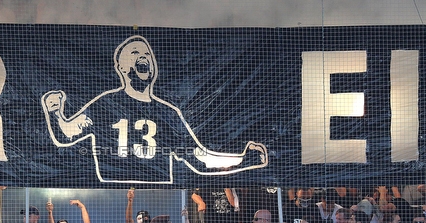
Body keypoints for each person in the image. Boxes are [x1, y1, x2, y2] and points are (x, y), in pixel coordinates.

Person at [41, 34, 268, 184]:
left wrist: (242, 160)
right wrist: (54, 112)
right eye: (135, 53)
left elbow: (200, 159)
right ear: (120, 67)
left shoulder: (167, 113)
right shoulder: (105, 103)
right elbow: (66, 134)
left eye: (147, 54)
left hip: (157, 191)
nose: (144, 57)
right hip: (110, 189)